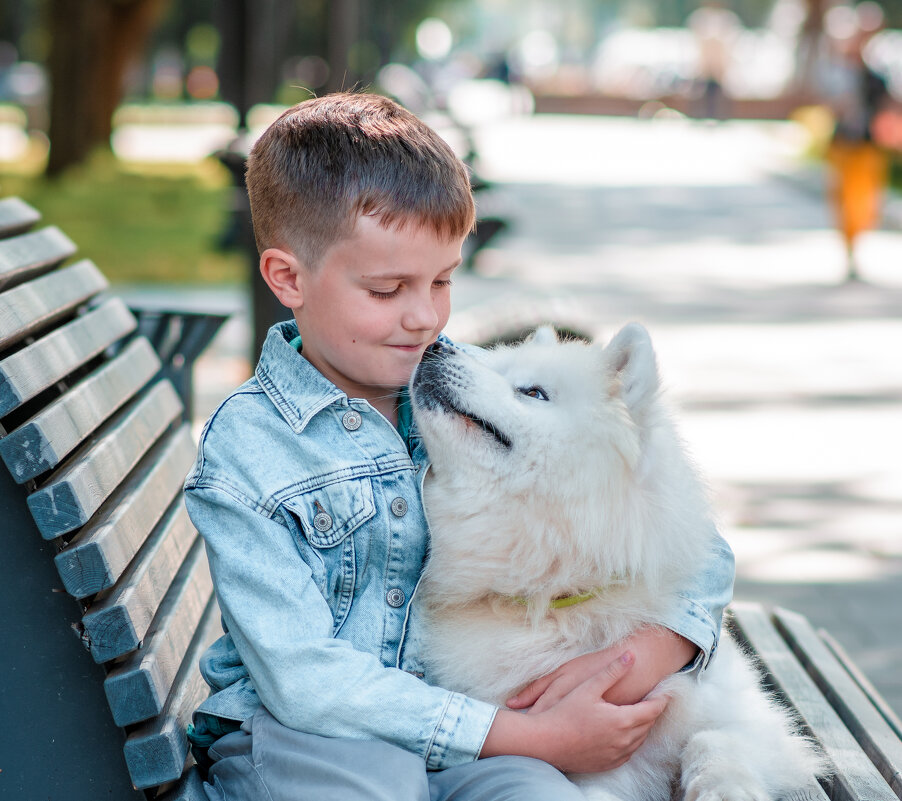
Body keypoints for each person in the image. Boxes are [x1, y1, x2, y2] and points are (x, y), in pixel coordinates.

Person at [183, 91, 736, 801]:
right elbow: (304, 680)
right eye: (387, 289)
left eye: (442, 281)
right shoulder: (250, 450)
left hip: (473, 732)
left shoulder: (447, 383)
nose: (423, 318)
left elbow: (692, 541)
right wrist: (531, 735)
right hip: (310, 737)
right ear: (288, 277)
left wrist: (653, 650)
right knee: (375, 784)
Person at [820, 2, 893, 280]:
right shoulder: (838, 71)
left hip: (868, 145)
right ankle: (849, 248)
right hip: (843, 144)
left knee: (866, 204)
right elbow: (829, 104)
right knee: (844, 202)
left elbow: (886, 106)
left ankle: (856, 244)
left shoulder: (877, 71)